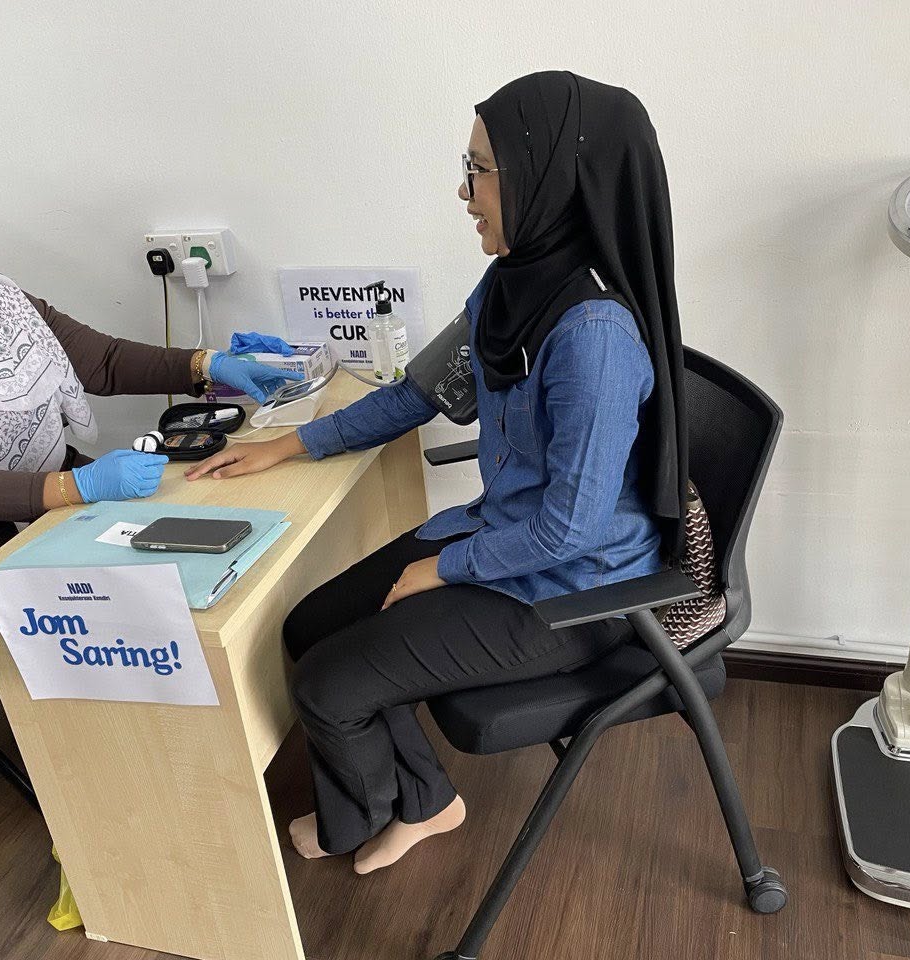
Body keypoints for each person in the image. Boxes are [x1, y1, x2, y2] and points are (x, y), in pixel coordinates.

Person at [185, 71, 689, 875]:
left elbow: (572, 528)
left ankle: (362, 818)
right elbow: (420, 392)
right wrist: (292, 443)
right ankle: (427, 801)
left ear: (547, 177)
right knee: (308, 628)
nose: (464, 191)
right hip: (507, 538)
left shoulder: (593, 335)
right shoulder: (513, 284)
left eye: (481, 169)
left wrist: (443, 569)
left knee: (329, 685)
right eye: (469, 166)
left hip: (574, 591)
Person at [0, 150, 300, 636]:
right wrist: (77, 487)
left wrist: (209, 364)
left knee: (203, 552)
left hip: (44, 497)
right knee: (124, 617)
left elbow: (102, 361)